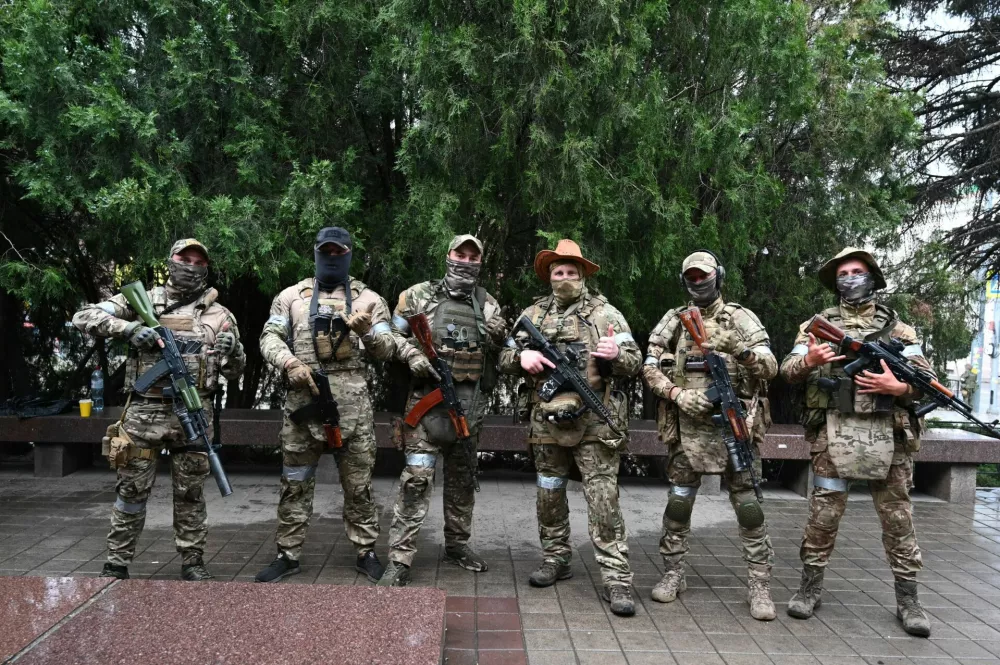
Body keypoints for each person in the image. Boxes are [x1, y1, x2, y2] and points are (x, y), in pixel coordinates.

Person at [73, 239, 245, 581]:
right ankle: (116, 562)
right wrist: (129, 328)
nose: (191, 265)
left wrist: (234, 349)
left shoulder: (220, 314)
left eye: (198, 261)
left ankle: (193, 561)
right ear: (171, 261)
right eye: (185, 258)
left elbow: (235, 371)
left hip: (194, 414)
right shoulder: (141, 301)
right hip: (144, 413)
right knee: (131, 490)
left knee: (190, 493)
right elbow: (84, 316)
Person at [781, 247, 932, 637]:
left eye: (856, 271)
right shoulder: (816, 326)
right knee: (824, 515)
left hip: (889, 436)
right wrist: (810, 361)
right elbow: (788, 371)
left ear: (873, 277)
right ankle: (809, 588)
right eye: (843, 273)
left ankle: (909, 600)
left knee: (897, 519)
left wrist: (897, 386)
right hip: (834, 434)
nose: (849, 277)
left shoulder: (900, 330)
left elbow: (926, 384)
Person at [498, 239, 640, 617]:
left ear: (583, 275)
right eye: (558, 272)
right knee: (549, 491)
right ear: (549, 276)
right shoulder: (532, 314)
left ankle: (616, 577)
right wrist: (522, 355)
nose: (564, 278)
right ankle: (556, 557)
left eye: (571, 272)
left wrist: (616, 355)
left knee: (602, 497)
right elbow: (504, 356)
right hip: (546, 419)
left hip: (595, 420)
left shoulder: (607, 314)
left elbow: (635, 360)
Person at [642, 250, 777, 620]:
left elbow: (771, 366)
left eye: (704, 275)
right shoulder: (675, 320)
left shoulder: (740, 318)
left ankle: (760, 585)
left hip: (735, 426)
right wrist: (677, 394)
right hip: (687, 428)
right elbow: (649, 365)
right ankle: (672, 573)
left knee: (749, 508)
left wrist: (740, 350)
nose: (698, 282)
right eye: (692, 276)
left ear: (718, 275)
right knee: (679, 503)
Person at [254, 227, 395, 584]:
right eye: (326, 252)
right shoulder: (291, 297)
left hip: (353, 411)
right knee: (295, 482)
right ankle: (288, 553)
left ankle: (365, 551)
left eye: (339, 252)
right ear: (316, 253)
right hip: (303, 404)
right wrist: (289, 363)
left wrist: (367, 333)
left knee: (358, 484)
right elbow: (269, 336)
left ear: (348, 254)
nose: (332, 258)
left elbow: (387, 350)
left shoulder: (370, 299)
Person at [378, 235, 508, 587]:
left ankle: (457, 546)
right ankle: (400, 560)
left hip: (468, 411)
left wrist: (499, 338)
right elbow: (390, 336)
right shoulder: (417, 295)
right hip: (424, 412)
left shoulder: (488, 303)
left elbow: (507, 356)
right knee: (417, 481)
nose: (465, 262)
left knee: (463, 483)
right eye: (459, 254)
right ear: (447, 256)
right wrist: (414, 356)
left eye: (472, 257)